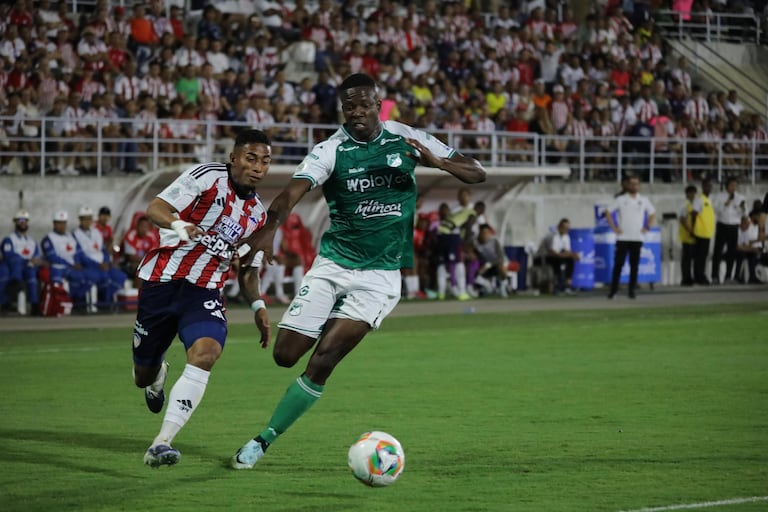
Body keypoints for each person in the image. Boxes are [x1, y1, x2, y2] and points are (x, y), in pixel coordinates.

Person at [230, 73, 486, 469]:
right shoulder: (330, 149)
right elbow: (290, 193)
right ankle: (333, 314)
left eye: (365, 104)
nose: (358, 112)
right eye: (350, 107)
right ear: (343, 110)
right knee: (285, 355)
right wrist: (268, 231)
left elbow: (477, 173)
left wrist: (437, 162)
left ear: (378, 103)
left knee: (324, 360)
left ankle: (262, 441)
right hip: (333, 264)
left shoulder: (407, 138)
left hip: (380, 277)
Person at [133, 129, 273, 468]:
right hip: (161, 282)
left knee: (207, 353)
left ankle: (161, 442)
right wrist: (183, 227)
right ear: (234, 158)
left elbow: (249, 268)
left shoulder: (258, 215)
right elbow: (156, 208)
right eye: (251, 158)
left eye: (265, 161)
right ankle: (156, 375)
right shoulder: (207, 176)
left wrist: (258, 307)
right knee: (142, 375)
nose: (258, 167)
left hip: (205, 291)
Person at [606, 175, 656, 299]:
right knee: (619, 264)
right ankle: (613, 290)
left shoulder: (643, 200)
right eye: (632, 184)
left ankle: (631, 290)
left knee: (634, 266)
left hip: (637, 237)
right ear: (628, 185)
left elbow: (652, 213)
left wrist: (647, 227)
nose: (634, 186)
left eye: (636, 184)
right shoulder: (621, 199)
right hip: (623, 237)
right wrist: (614, 227)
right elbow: (608, 212)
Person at [72, 207, 128, 309]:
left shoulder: (96, 232)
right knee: (103, 278)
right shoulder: (75, 234)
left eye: (89, 218)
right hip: (90, 266)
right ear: (80, 219)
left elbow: (103, 250)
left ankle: (106, 300)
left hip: (103, 265)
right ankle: (103, 303)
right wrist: (98, 265)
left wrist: (106, 262)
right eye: (84, 218)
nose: (87, 221)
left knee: (121, 276)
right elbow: (80, 256)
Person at [41, 211, 94, 308]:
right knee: (57, 284)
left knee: (86, 278)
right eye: (59, 223)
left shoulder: (71, 236)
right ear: (54, 224)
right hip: (57, 268)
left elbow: (78, 252)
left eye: (64, 223)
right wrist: (70, 264)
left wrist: (78, 262)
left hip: (71, 267)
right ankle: (59, 305)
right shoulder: (48, 238)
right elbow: (52, 257)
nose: (62, 226)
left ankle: (75, 302)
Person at [1, 210, 46, 314]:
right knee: (15, 260)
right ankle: (14, 283)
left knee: (32, 273)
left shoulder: (32, 241)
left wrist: (35, 262)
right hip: (12, 268)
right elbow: (8, 256)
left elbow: (35, 257)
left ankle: (34, 305)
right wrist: (26, 260)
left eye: (25, 220)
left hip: (27, 267)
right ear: (15, 222)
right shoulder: (9, 239)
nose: (23, 223)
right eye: (20, 220)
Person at [710, 177, 746, 284]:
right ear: (727, 186)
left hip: (734, 226)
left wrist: (742, 208)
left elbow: (745, 213)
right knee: (718, 251)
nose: (733, 188)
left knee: (732, 252)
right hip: (722, 225)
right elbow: (715, 210)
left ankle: (728, 276)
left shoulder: (740, 197)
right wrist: (724, 205)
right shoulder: (720, 196)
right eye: (731, 185)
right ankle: (715, 276)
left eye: (735, 185)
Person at [540, 218, 580, 294]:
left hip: (559, 256)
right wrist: (565, 255)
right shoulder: (554, 236)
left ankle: (568, 284)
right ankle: (557, 285)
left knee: (570, 260)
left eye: (568, 228)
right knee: (558, 262)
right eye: (565, 228)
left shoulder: (566, 237)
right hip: (547, 257)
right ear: (559, 227)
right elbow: (552, 252)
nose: (566, 230)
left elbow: (567, 251)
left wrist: (573, 255)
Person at [120, 215, 160, 288]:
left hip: (144, 263)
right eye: (142, 226)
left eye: (146, 227)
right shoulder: (130, 236)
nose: (144, 229)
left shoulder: (151, 237)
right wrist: (146, 259)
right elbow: (132, 258)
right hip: (128, 264)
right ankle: (137, 295)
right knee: (140, 268)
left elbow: (153, 255)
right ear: (137, 226)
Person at [690, 178, 716, 285]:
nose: (708, 188)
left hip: (707, 232)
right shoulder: (699, 199)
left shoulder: (709, 200)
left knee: (703, 256)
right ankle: (699, 276)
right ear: (702, 187)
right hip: (700, 232)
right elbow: (694, 214)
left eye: (710, 186)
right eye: (706, 186)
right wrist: (692, 228)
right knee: (699, 256)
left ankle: (700, 275)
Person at [472, 223, 508, 297]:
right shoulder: (475, 243)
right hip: (484, 266)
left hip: (496, 264)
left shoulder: (494, 241)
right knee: (475, 272)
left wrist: (488, 265)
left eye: (487, 233)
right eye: (483, 233)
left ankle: (502, 288)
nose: (485, 235)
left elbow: (500, 258)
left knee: (501, 267)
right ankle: (488, 287)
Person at [734, 212, 762, 284]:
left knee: (753, 255)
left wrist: (751, 249)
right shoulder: (737, 231)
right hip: (733, 251)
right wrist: (751, 249)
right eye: (746, 224)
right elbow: (738, 247)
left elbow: (747, 245)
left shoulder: (746, 231)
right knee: (741, 254)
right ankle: (737, 276)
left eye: (749, 224)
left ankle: (752, 277)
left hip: (743, 250)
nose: (748, 226)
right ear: (742, 223)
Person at [678, 185, 697, 286]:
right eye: (690, 193)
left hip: (693, 235)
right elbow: (683, 220)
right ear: (687, 194)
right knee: (687, 258)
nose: (692, 195)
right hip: (687, 235)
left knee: (690, 258)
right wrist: (690, 231)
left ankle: (690, 277)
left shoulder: (694, 205)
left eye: (694, 193)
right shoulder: (685, 205)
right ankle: (686, 278)